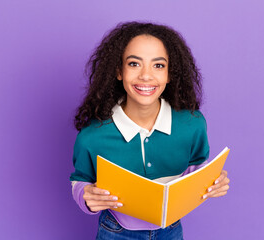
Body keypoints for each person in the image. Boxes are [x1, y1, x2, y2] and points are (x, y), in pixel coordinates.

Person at [70, 21, 230, 240]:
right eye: (134, 64)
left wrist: (214, 181)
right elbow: (81, 180)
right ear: (119, 71)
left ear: (170, 74)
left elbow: (197, 167)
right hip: (116, 232)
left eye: (158, 65)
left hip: (171, 230)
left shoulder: (192, 124)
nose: (146, 75)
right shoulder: (92, 136)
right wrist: (85, 196)